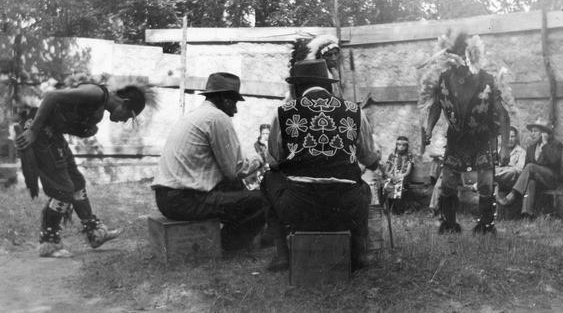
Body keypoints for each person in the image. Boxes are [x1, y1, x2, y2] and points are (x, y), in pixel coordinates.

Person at [15, 75, 156, 257]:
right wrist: (33, 132)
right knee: (63, 189)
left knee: (77, 183)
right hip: (39, 132)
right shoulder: (95, 93)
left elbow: (62, 118)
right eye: (128, 116)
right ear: (124, 103)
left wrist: (83, 130)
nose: (124, 121)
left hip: (52, 134)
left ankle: (95, 233)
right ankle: (48, 243)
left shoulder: (98, 109)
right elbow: (51, 97)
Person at [261, 59, 380, 272]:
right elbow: (371, 159)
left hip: (298, 207)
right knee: (362, 186)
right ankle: (360, 252)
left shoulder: (283, 112)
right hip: (345, 206)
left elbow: (273, 160)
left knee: (269, 179)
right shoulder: (355, 111)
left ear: (296, 87)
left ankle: (282, 255)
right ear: (327, 85)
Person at [152, 72, 267, 252]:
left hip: (168, 198)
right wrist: (261, 159)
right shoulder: (217, 118)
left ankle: (244, 239)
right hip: (184, 200)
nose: (235, 110)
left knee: (236, 188)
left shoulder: (197, 115)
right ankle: (226, 246)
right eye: (234, 103)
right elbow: (235, 169)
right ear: (226, 101)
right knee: (263, 200)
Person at [420, 30, 510, 235]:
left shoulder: (487, 79)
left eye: (464, 54)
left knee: (486, 184)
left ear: (472, 55)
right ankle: (449, 224)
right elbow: (436, 106)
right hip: (456, 139)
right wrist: (429, 129)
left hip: (481, 138)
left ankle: (486, 226)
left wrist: (504, 147)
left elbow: (503, 115)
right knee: (448, 183)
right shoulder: (444, 78)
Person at [499, 118, 563, 219]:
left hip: (550, 181)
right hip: (537, 181)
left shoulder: (556, 144)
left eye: (535, 131)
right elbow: (525, 170)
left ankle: (513, 194)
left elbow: (554, 160)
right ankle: (527, 214)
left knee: (530, 167)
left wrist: (545, 144)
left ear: (544, 133)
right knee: (531, 181)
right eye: (531, 131)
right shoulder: (531, 148)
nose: (532, 134)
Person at [383, 136, 414, 213]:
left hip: (403, 176)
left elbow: (408, 171)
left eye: (404, 145)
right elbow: (386, 171)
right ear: (396, 145)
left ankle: (397, 209)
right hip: (392, 175)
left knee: (399, 185)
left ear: (407, 146)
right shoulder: (392, 155)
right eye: (399, 145)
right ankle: (388, 207)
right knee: (387, 185)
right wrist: (391, 176)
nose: (401, 147)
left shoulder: (409, 155)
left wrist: (399, 176)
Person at [494, 126, 526, 198]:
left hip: (511, 182)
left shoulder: (521, 152)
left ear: (516, 138)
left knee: (512, 172)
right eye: (508, 137)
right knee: (491, 170)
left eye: (512, 137)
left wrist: (503, 169)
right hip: (500, 181)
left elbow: (519, 170)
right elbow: (494, 167)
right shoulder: (499, 151)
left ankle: (486, 182)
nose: (510, 139)